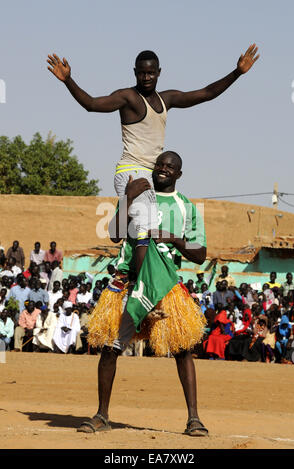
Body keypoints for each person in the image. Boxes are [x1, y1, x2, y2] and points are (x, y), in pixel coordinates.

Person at [47, 45, 259, 275]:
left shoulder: (166, 99)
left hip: (151, 173)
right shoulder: (127, 97)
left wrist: (236, 73)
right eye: (141, 73)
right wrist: (68, 80)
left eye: (150, 73)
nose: (146, 77)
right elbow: (92, 104)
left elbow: (206, 93)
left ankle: (140, 279)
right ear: (134, 72)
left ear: (159, 72)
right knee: (145, 230)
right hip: (132, 170)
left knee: (146, 231)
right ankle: (141, 286)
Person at [78, 151, 208, 436]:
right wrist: (126, 198)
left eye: (169, 167)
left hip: (165, 285)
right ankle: (101, 415)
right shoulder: (136, 195)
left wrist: (174, 238)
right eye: (159, 164)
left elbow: (201, 254)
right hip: (128, 282)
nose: (162, 169)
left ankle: (194, 419)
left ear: (178, 174)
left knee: (183, 350)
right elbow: (114, 233)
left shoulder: (185, 207)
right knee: (111, 347)